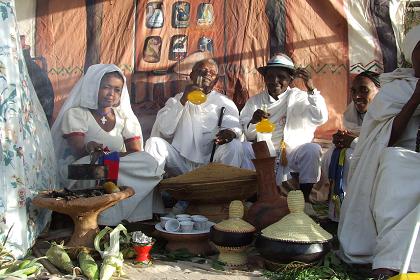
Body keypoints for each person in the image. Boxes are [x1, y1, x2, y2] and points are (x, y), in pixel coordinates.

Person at [338, 25, 420, 277]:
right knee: (396, 166)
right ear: (413, 54)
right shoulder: (397, 89)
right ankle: (390, 261)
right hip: (400, 155)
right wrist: (416, 98)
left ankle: (403, 262)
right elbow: (386, 137)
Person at [51, 64, 164, 226]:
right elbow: (78, 153)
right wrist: (90, 146)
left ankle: (132, 218)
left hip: (113, 165)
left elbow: (135, 153)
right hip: (81, 168)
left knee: (148, 161)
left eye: (117, 90)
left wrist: (110, 155)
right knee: (100, 167)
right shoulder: (77, 114)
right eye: (106, 87)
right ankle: (106, 219)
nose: (111, 94)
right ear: (93, 87)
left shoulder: (124, 117)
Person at [240, 53, 328, 205]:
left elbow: (320, 117)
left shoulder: (300, 97)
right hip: (265, 152)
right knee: (242, 148)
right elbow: (248, 134)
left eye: (281, 76)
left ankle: (304, 202)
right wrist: (254, 121)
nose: (275, 81)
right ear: (265, 78)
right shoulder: (255, 102)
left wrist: (311, 89)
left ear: (290, 79)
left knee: (312, 149)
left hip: (292, 153)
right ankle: (252, 197)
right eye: (270, 76)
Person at [145, 58, 243, 176]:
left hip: (212, 163)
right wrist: (183, 100)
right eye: (202, 70)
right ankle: (154, 192)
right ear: (191, 75)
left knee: (234, 146)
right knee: (154, 143)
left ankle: (226, 192)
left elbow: (234, 128)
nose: (207, 74)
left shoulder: (224, 102)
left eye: (212, 73)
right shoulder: (177, 99)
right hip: (181, 163)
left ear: (216, 80)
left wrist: (230, 133)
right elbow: (165, 130)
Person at [320, 71, 380, 222]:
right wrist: (341, 139)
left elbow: (382, 144)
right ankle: (338, 212)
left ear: (379, 91)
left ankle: (355, 215)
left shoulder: (385, 114)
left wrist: (352, 142)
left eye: (364, 90)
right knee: (332, 154)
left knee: (349, 156)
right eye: (353, 91)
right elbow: (354, 135)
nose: (357, 96)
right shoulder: (352, 112)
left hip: (379, 159)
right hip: (359, 151)